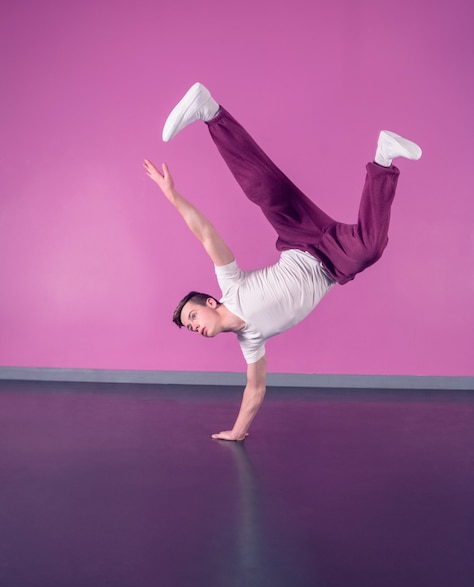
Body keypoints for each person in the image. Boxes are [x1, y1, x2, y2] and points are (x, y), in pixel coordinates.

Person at [143, 83, 422, 442]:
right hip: (331, 262)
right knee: (369, 248)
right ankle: (384, 159)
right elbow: (255, 391)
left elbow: (207, 235)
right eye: (189, 326)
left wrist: (172, 195)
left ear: (210, 302)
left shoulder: (231, 287)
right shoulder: (251, 342)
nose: (193, 325)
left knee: (262, 187)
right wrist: (236, 432)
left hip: (298, 238)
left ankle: (209, 112)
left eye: (192, 316)